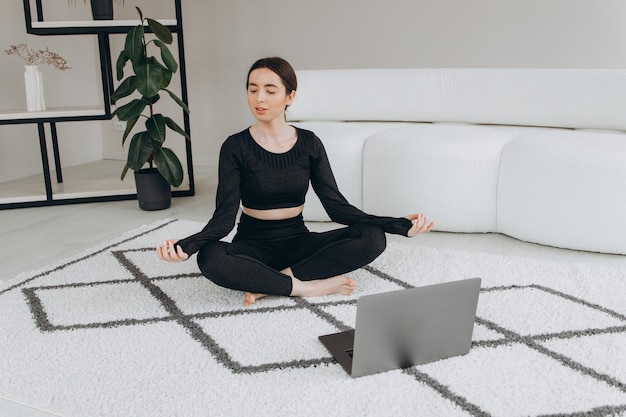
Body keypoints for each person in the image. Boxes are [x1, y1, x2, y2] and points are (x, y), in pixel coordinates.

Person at [156, 57, 434, 306]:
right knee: (210, 258)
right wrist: (186, 247)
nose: (259, 98)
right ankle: (305, 287)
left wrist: (397, 225)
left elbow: (338, 208)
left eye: (270, 90)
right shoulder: (235, 147)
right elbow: (223, 219)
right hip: (253, 246)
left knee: (372, 237)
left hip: (299, 243)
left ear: (290, 96)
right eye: (252, 90)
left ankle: (273, 283)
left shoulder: (310, 144)